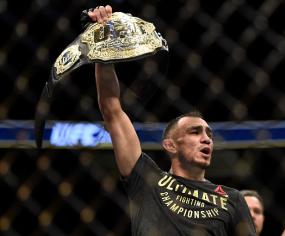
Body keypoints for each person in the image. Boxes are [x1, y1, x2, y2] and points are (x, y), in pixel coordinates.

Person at [88, 5, 257, 236]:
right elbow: (112, 109)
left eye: (209, 134)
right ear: (170, 145)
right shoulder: (146, 179)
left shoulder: (231, 199)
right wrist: (104, 42)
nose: (206, 139)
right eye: (195, 132)